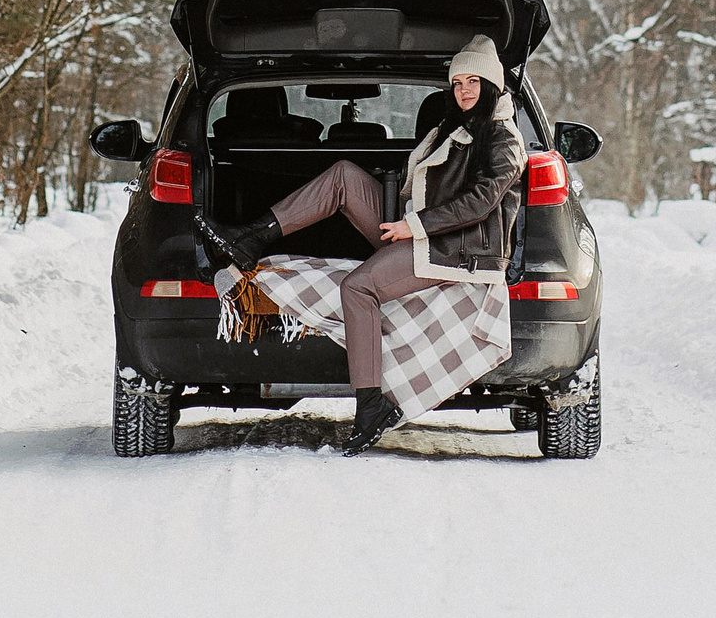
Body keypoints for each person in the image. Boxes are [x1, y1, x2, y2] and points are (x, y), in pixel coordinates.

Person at [196, 33, 526, 454]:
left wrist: (415, 226)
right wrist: (405, 216)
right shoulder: (456, 126)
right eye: (458, 83)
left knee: (357, 286)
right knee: (345, 176)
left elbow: (482, 202)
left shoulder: (503, 136)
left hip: (456, 251)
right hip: (424, 232)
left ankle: (372, 404)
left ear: (491, 85)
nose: (464, 91)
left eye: (473, 82)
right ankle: (251, 238)